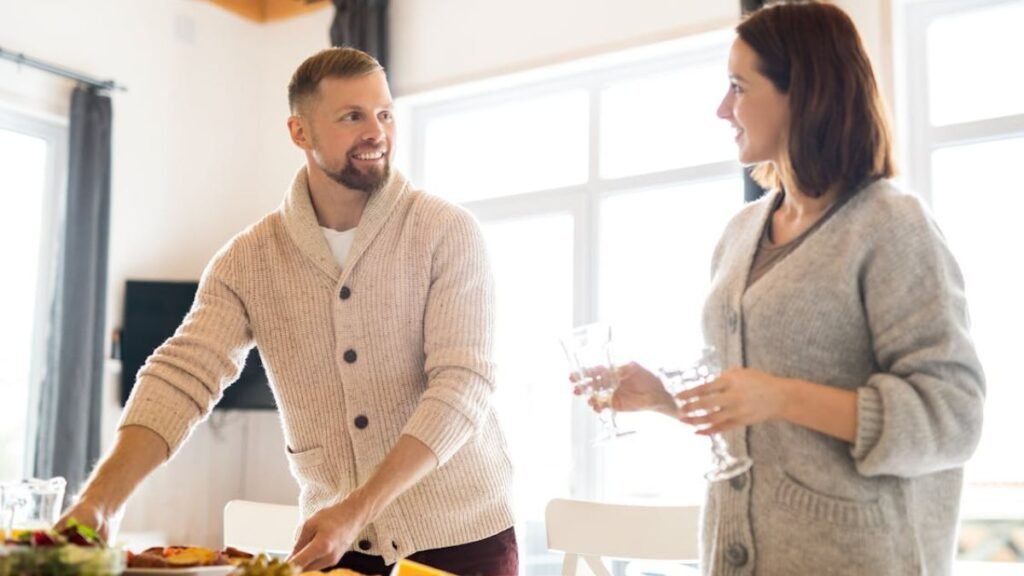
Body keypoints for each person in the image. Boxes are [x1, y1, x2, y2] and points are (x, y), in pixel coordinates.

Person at [59, 47, 517, 576]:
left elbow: (463, 385)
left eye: (384, 113)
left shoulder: (446, 231)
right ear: (300, 132)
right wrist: (101, 502)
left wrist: (356, 508)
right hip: (336, 545)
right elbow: (180, 376)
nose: (376, 131)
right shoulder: (248, 259)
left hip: (463, 542)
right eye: (352, 116)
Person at [606, 2, 985, 574]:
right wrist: (660, 396)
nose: (721, 109)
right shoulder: (741, 232)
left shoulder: (890, 225)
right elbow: (755, 413)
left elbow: (952, 418)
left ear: (802, 93)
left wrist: (781, 395)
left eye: (738, 86)